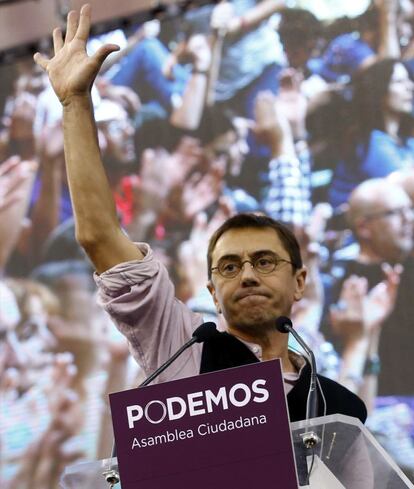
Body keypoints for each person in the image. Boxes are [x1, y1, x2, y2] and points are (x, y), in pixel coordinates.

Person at [33, 5, 366, 426]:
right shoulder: (183, 348)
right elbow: (100, 237)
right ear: (211, 291)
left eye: (264, 262)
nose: (246, 275)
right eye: (228, 267)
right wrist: (75, 102)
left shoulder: (336, 408)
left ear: (300, 281)